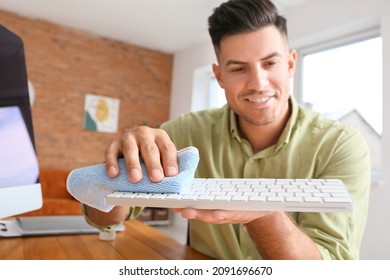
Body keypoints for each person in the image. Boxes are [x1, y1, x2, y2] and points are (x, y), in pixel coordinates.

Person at [83, 0, 370, 260]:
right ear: (219, 76)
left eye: (270, 63)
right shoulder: (184, 132)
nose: (258, 82)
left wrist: (263, 214)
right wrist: (119, 171)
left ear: (291, 63)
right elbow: (105, 219)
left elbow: (331, 268)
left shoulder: (340, 145)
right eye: (238, 69)